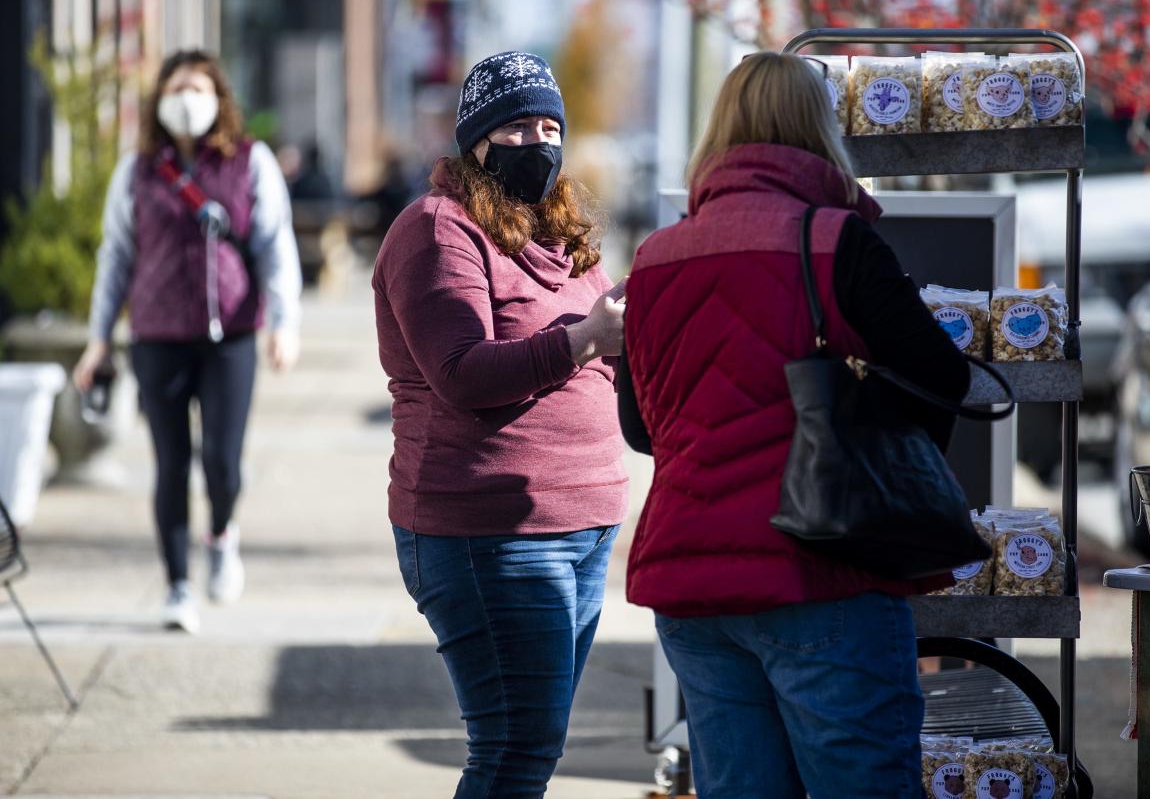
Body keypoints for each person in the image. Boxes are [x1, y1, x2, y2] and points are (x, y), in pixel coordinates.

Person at [616, 52, 970, 798]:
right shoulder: (835, 240)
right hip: (820, 573)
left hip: (692, 588)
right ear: (819, 127)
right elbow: (943, 376)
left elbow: (641, 428)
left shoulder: (651, 259)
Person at [372, 51, 627, 797]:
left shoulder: (562, 239)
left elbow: (609, 362)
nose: (539, 142)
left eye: (551, 125)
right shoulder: (436, 230)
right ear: (476, 141)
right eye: (517, 126)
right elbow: (464, 373)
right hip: (490, 533)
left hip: (583, 525)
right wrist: (584, 339)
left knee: (533, 745)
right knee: (516, 750)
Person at [73, 50, 302, 634]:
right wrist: (99, 338)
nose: (187, 97)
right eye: (177, 87)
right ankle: (177, 585)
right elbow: (116, 258)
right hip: (157, 338)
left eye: (199, 87)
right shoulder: (138, 171)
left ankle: (222, 533)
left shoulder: (252, 162)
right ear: (159, 101)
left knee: (222, 465)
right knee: (171, 465)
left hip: (232, 337)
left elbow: (276, 246)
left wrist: (285, 321)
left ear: (219, 98)